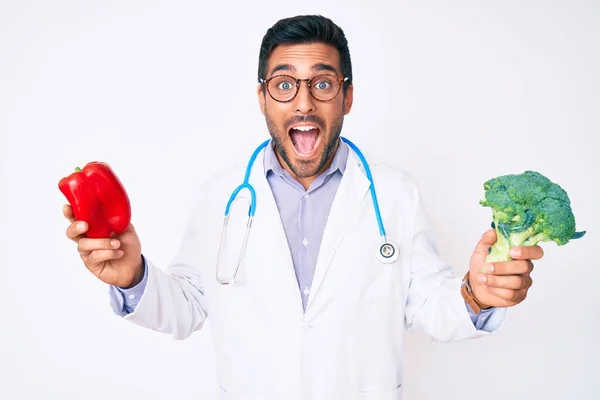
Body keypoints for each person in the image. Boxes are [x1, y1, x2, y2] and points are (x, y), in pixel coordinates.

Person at [63, 15, 542, 400]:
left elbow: (429, 305)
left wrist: (478, 295)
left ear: (347, 97)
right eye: (285, 84)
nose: (304, 103)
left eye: (323, 84)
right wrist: (133, 277)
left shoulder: (396, 194)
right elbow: (188, 308)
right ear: (263, 98)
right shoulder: (219, 196)